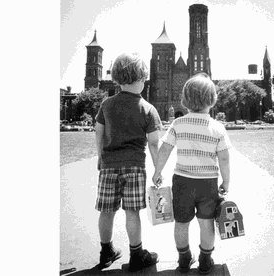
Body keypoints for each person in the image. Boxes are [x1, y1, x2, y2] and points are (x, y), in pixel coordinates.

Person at [152, 73, 232, 275]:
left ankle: (184, 258)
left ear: (185, 99)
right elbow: (224, 159)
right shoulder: (218, 128)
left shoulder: (178, 124)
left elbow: (165, 149)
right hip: (208, 183)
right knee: (206, 223)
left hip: (182, 182)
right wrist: (227, 183)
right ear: (212, 99)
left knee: (181, 222)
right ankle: (205, 260)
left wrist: (157, 171)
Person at [94, 52, 162, 272]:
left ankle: (106, 251)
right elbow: (153, 143)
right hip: (134, 167)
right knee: (132, 212)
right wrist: (158, 169)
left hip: (108, 166)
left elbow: (99, 132)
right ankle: (136, 254)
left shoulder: (106, 105)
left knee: (106, 210)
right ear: (142, 79)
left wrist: (100, 157)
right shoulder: (147, 108)